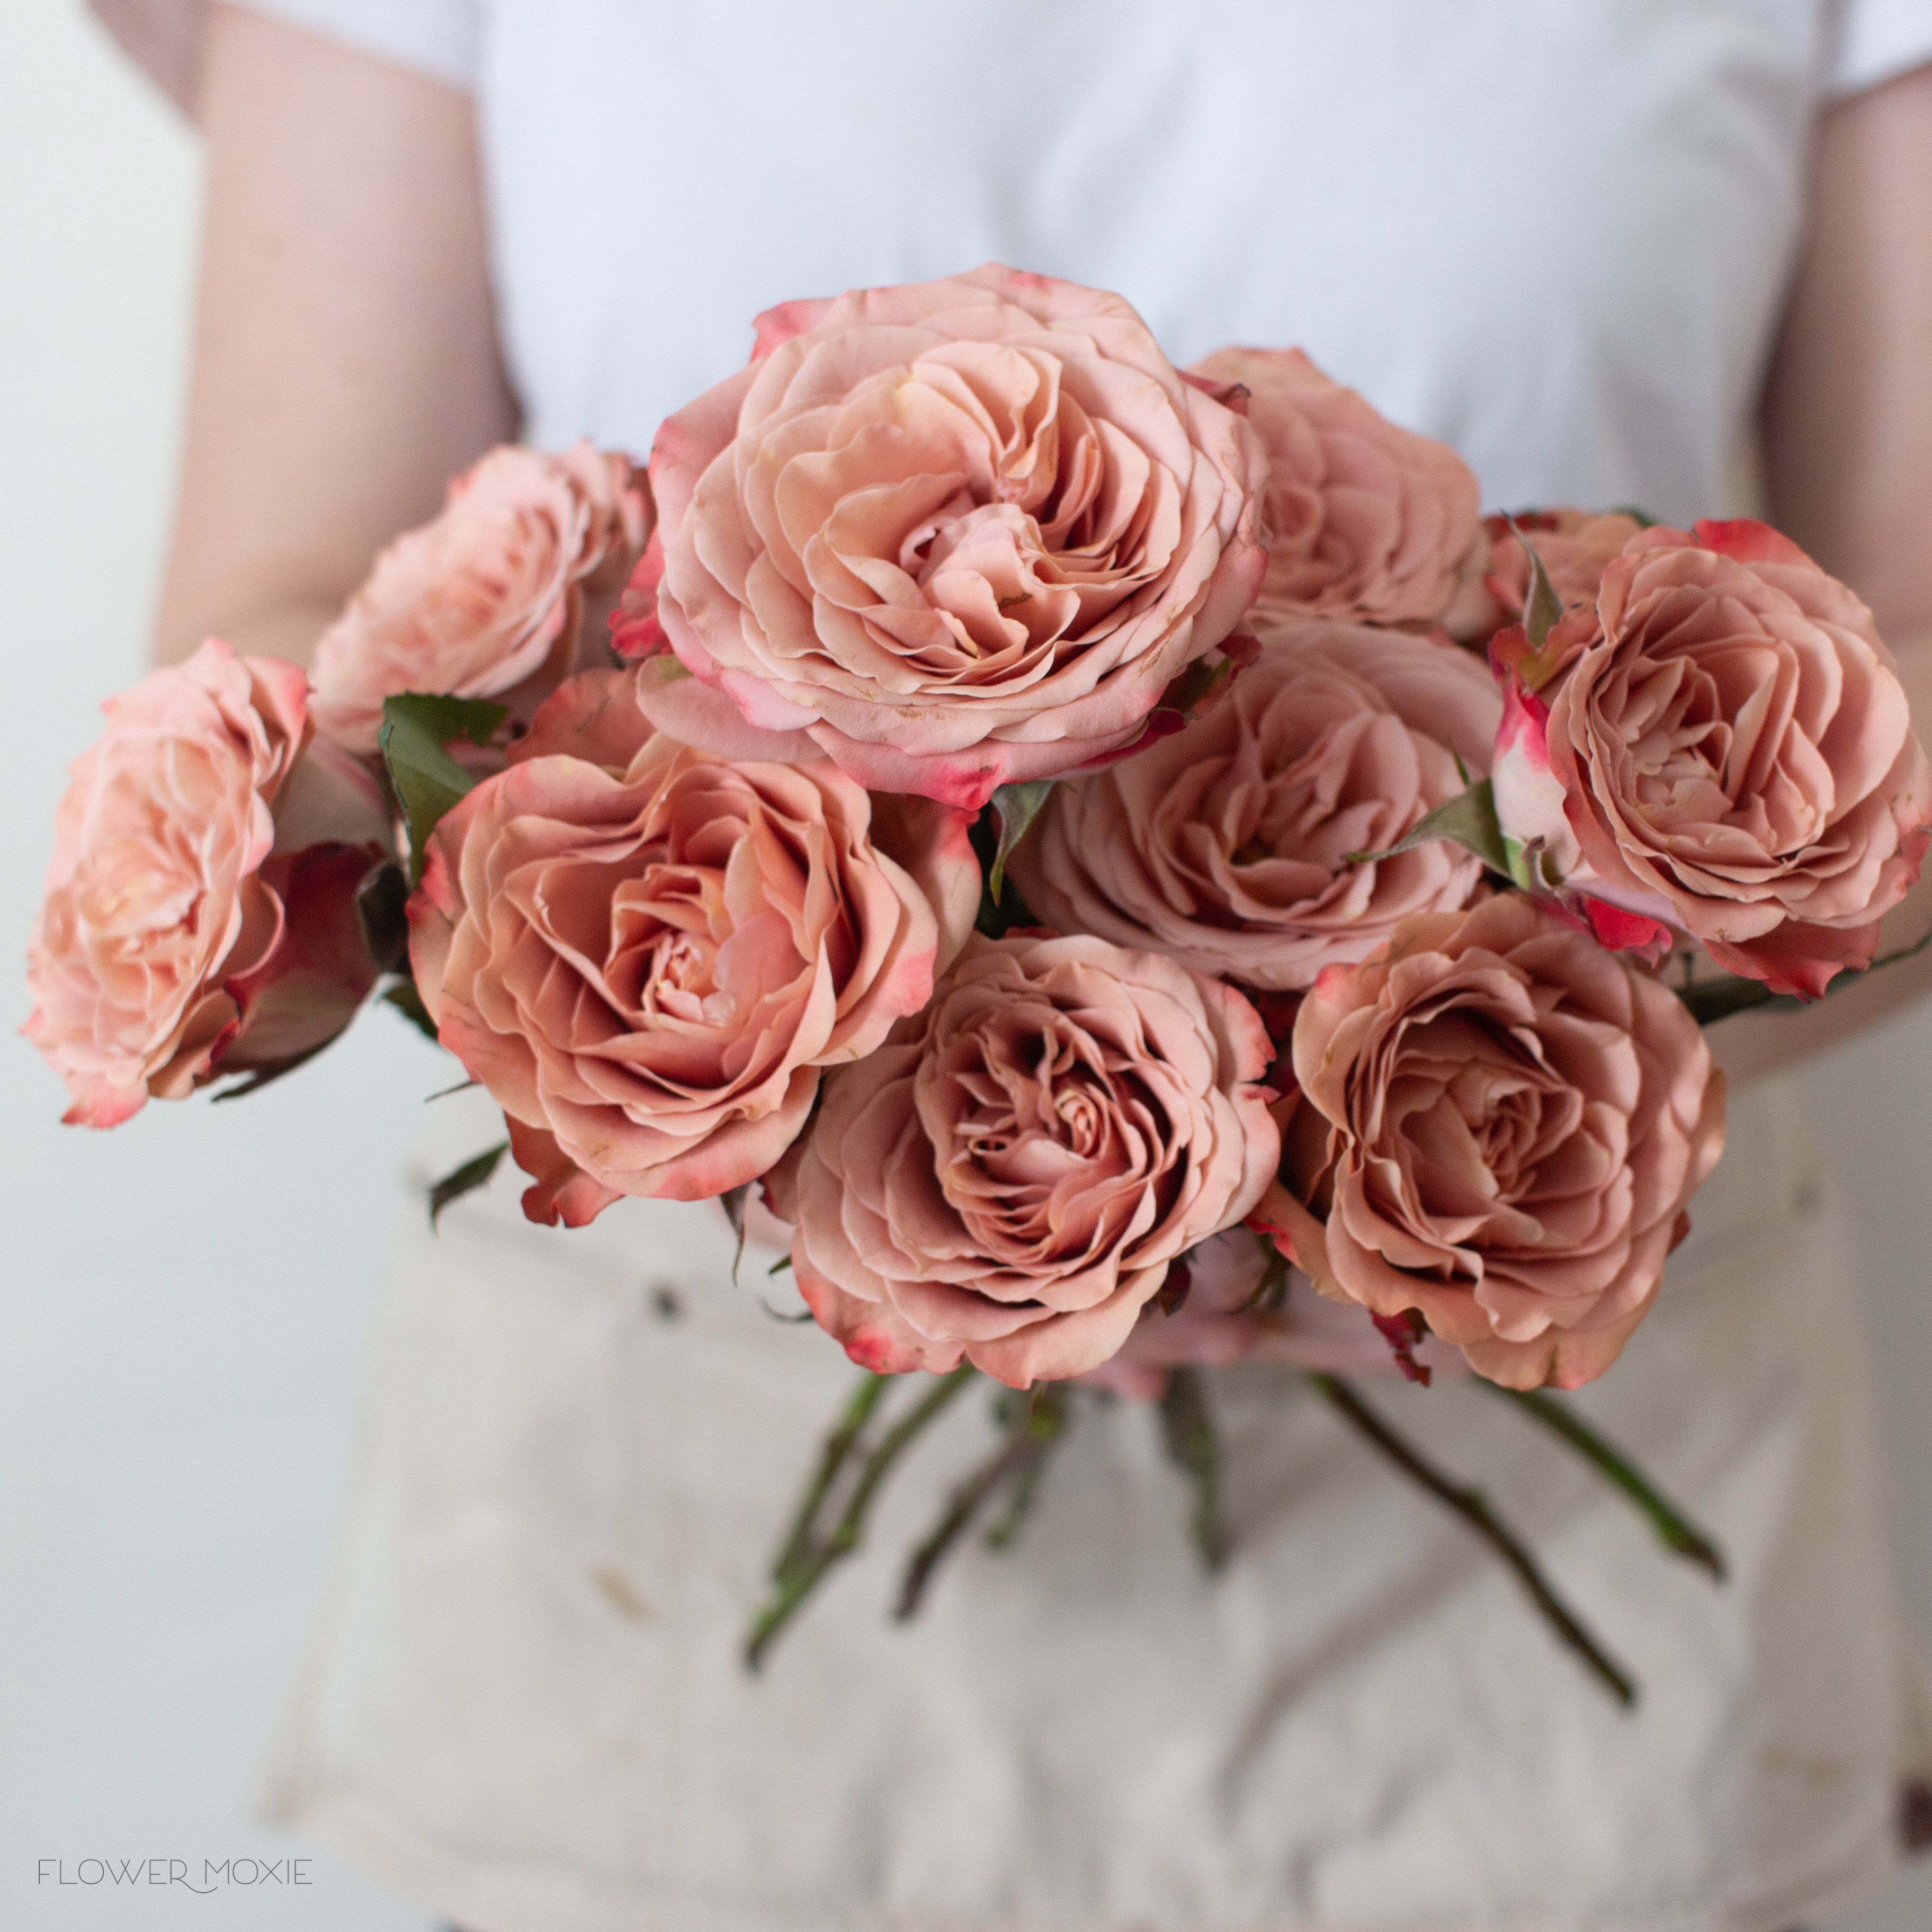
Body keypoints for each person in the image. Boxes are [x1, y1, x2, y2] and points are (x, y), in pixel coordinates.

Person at [87, 3, 1932, 1927]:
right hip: (681, 1537)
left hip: (1546, 1384)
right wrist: (784, 1037)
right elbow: (286, 610)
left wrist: (1364, 1108)